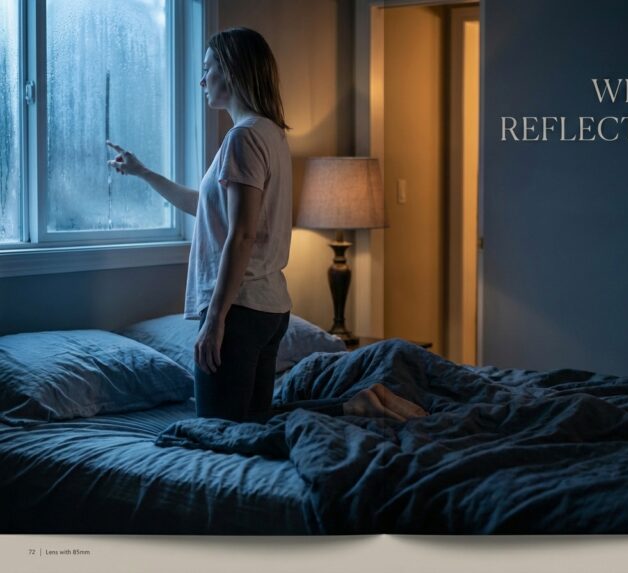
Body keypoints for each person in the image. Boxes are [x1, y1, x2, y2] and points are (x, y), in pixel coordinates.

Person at [107, 27, 426, 423]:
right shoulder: (270, 134)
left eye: (208, 69)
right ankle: (352, 406)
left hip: (240, 308)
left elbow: (242, 235)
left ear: (231, 72)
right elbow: (204, 207)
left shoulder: (242, 138)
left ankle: (352, 406)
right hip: (269, 308)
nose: (202, 80)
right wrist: (143, 173)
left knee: (217, 428)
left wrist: (215, 319)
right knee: (255, 420)